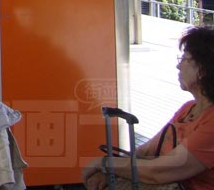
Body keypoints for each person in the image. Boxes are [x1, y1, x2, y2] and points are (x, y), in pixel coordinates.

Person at [82, 26, 214, 190]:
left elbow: (159, 171)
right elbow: (147, 152)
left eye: (184, 59)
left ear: (202, 70)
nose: (178, 67)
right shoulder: (188, 109)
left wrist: (105, 163)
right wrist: (111, 172)